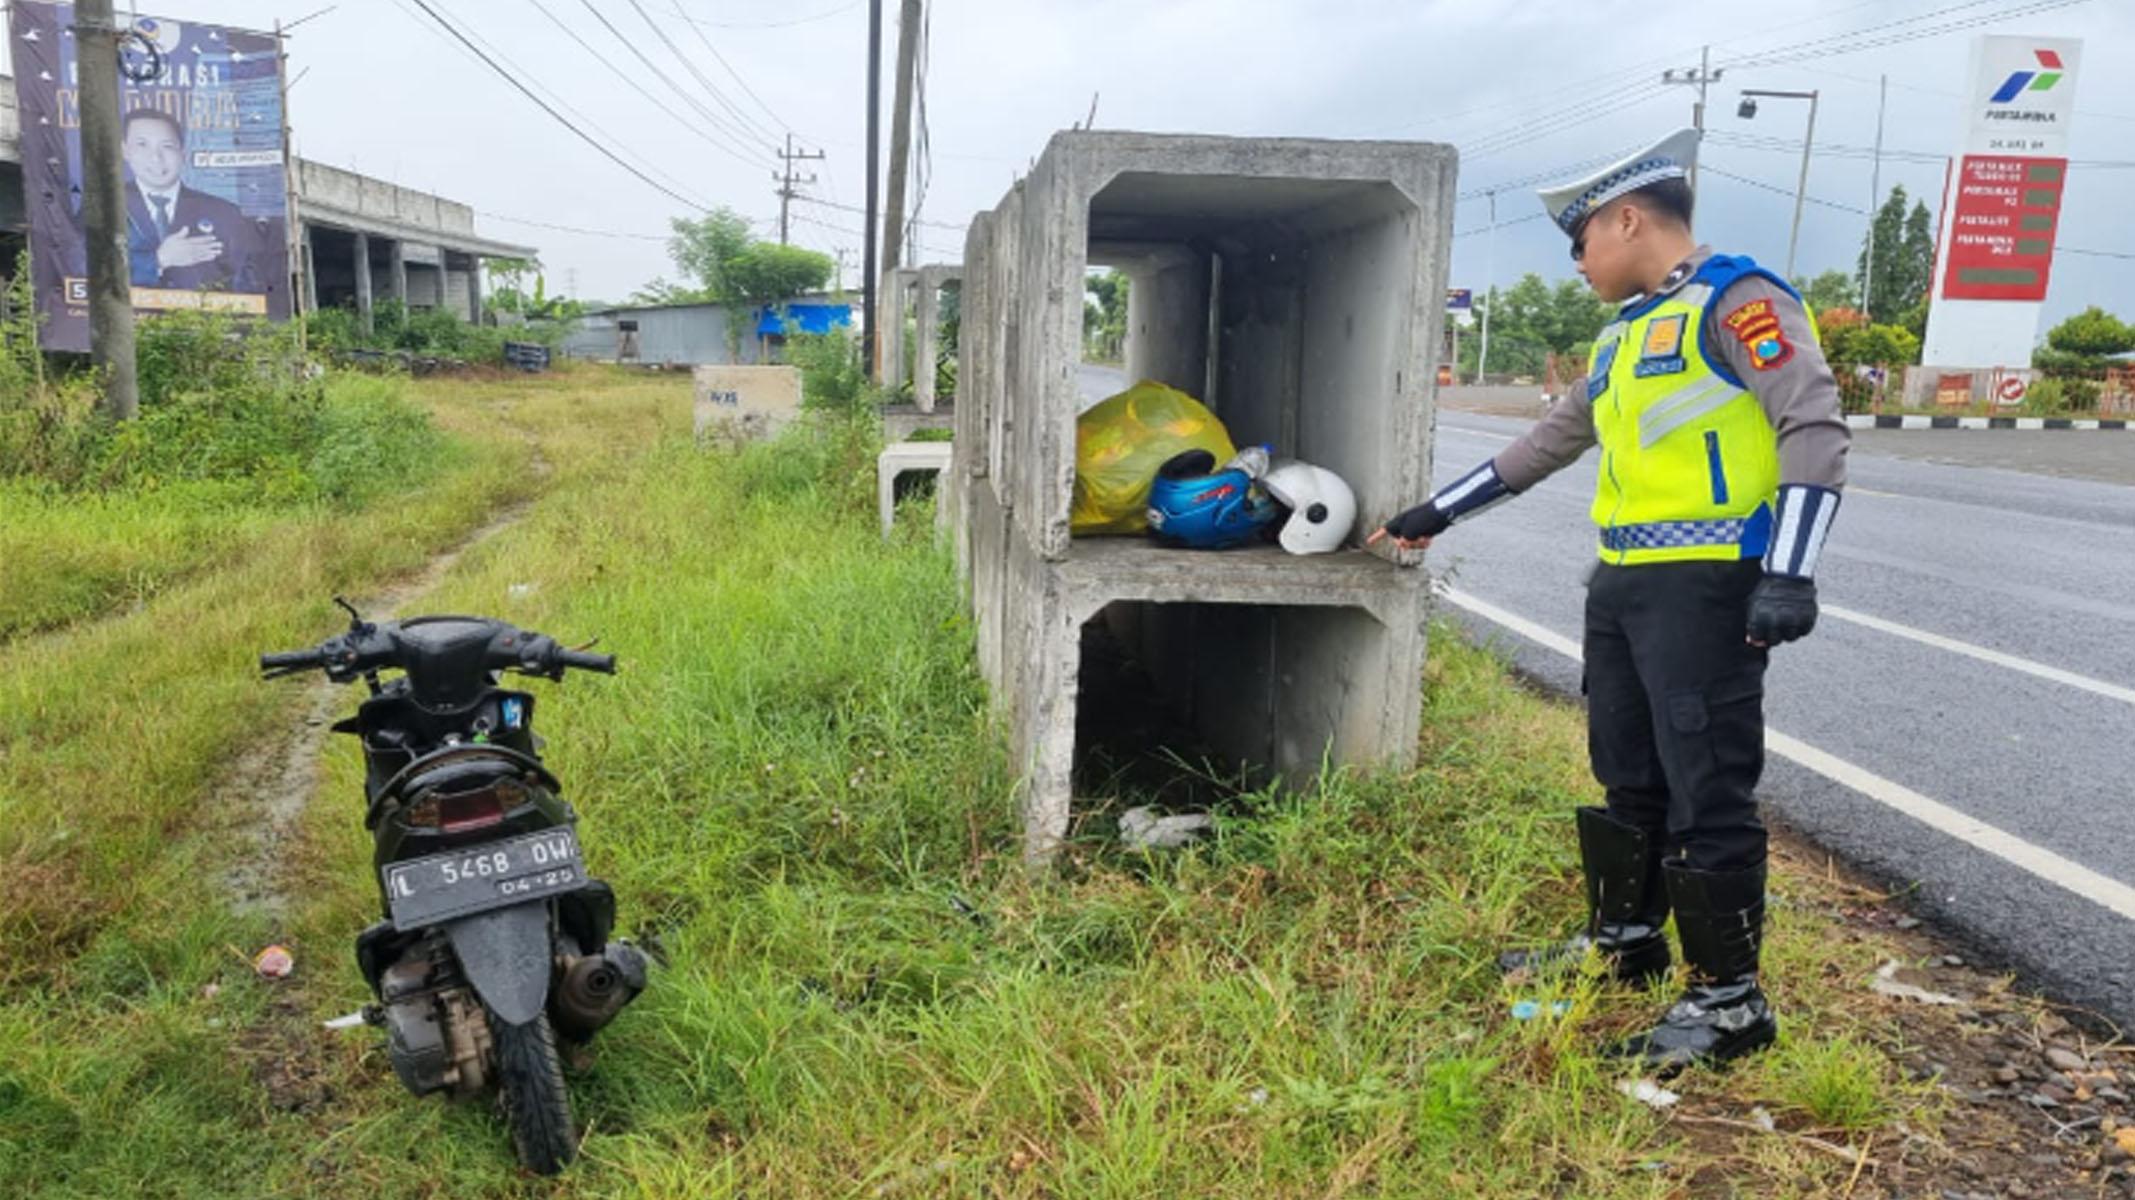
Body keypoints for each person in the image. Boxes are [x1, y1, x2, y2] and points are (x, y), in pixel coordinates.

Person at [1369, 128, 1850, 1072]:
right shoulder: (1627, 333)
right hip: (1626, 582)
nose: (1577, 258)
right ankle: (1624, 941)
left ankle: (1728, 1003)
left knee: (1706, 783)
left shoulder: (1739, 302)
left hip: (1709, 585)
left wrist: (1788, 571)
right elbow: (1548, 443)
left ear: (1629, 218)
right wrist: (1432, 513)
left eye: (1580, 239)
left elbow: (1813, 425)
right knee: (1627, 767)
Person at [120, 108, 257, 292]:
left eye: (167, 146)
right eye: (142, 145)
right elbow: (83, 266)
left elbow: (247, 284)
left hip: (204, 320)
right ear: (125, 151)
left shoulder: (225, 214)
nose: (156, 157)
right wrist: (159, 260)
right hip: (126, 319)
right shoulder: (104, 205)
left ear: (182, 154)